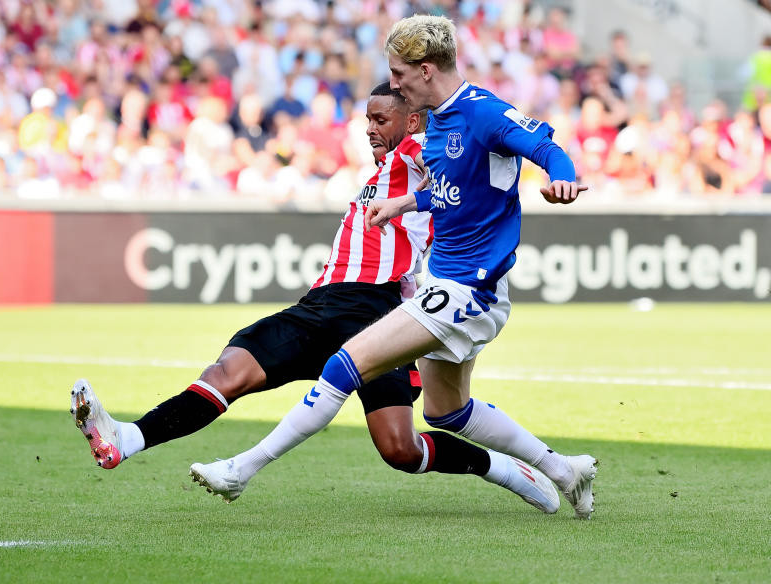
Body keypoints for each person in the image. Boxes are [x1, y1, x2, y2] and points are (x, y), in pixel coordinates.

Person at [71, 82, 562, 514]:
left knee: (400, 449)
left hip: (377, 311)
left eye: (380, 118)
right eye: (366, 118)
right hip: (320, 305)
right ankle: (126, 439)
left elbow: (462, 170)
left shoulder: (421, 150)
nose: (369, 128)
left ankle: (504, 469)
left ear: (412, 118)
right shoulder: (380, 174)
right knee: (227, 373)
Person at [189, 15, 598, 519]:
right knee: (446, 411)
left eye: (399, 74)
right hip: (445, 279)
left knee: (346, 362)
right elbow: (456, 192)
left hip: (470, 288)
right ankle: (563, 470)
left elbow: (545, 147)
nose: (395, 84)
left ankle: (240, 470)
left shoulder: (483, 113)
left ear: (426, 70)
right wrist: (406, 204)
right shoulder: (440, 119)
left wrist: (563, 180)